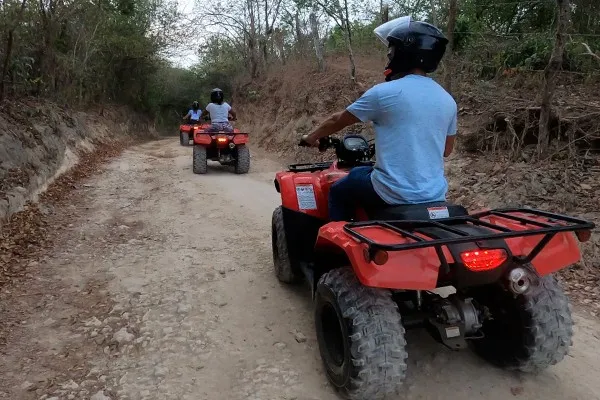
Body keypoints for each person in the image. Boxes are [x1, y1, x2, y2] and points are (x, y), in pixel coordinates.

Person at [300, 16, 457, 222]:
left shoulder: (384, 93)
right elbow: (446, 150)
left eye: (391, 52)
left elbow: (338, 120)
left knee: (339, 190)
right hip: (434, 195)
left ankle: (336, 241)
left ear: (402, 54)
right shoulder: (448, 100)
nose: (389, 58)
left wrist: (311, 137)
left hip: (392, 193)